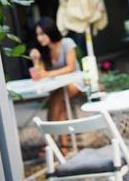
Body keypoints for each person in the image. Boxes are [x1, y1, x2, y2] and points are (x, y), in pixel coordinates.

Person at [29, 17, 84, 155]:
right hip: (58, 86)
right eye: (37, 35)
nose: (39, 38)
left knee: (57, 97)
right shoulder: (44, 51)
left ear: (50, 31)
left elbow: (70, 67)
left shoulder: (67, 43)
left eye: (42, 34)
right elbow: (40, 73)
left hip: (75, 82)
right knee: (59, 103)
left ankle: (50, 140)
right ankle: (63, 146)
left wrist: (48, 74)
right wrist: (35, 58)